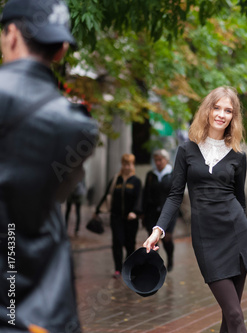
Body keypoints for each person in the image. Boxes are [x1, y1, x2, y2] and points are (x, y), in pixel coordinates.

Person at [0, 0, 98, 331]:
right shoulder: (79, 127)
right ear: (60, 51)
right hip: (42, 304)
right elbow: (53, 195)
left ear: (11, 34)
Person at [143, 86, 247, 333]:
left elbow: (240, 200)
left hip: (237, 236)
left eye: (228, 110)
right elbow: (174, 195)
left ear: (233, 117)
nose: (221, 114)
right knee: (235, 314)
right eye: (217, 108)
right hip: (207, 238)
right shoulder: (186, 150)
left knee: (231, 318)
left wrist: (245, 229)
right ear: (207, 110)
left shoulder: (238, 155)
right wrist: (158, 230)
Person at [95, 154, 142, 278]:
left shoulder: (136, 181)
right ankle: (118, 269)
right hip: (116, 217)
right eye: (125, 164)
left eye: (130, 164)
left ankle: (128, 267)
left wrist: (135, 212)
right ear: (122, 165)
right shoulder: (116, 180)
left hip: (131, 219)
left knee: (130, 244)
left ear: (133, 165)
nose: (127, 166)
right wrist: (97, 210)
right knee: (117, 241)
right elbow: (107, 194)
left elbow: (139, 199)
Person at [142, 149, 175, 271]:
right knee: (153, 239)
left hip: (168, 212)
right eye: (156, 160)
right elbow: (146, 193)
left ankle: (170, 258)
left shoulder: (172, 174)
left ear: (166, 160)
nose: (158, 162)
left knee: (167, 238)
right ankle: (156, 264)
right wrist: (143, 213)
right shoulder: (151, 175)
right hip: (152, 212)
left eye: (160, 160)